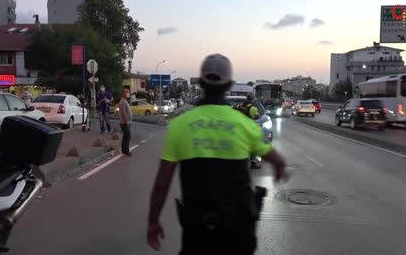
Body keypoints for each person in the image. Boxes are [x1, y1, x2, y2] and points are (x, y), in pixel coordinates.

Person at [146, 54, 288, 255]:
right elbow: (277, 160)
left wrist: (153, 221)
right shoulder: (243, 124)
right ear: (229, 85)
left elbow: (162, 182)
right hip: (238, 235)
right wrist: (279, 170)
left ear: (201, 82)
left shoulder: (180, 126)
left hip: (198, 234)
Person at [237, 94, 262, 169]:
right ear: (252, 100)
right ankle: (253, 164)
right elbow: (257, 116)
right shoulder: (253, 108)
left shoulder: (239, 106)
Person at [118, 88, 132, 157]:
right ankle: (126, 151)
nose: (128, 93)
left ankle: (124, 150)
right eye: (127, 92)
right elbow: (123, 113)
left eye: (128, 92)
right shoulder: (122, 101)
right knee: (127, 137)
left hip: (126, 122)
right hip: (124, 123)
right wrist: (127, 122)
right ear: (123, 93)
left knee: (125, 137)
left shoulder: (125, 101)